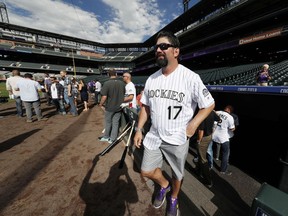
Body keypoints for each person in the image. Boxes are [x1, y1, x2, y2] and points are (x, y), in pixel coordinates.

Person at [133, 31, 215, 216]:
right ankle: (163, 184)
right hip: (154, 135)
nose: (159, 50)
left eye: (164, 46)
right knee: (145, 171)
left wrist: (194, 124)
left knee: (178, 174)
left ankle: (173, 197)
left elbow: (209, 104)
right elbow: (145, 107)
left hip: (177, 137)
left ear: (176, 51)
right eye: (156, 48)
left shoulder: (190, 77)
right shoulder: (151, 79)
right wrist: (139, 129)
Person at [98, 70, 125, 144]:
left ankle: (106, 136)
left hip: (110, 107)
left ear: (108, 75)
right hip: (119, 107)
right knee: (115, 123)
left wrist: (100, 104)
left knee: (108, 122)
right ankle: (112, 139)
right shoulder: (122, 83)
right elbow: (124, 94)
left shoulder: (107, 83)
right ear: (116, 74)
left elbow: (104, 96)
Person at [195, 110, 220, 188]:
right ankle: (197, 171)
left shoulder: (202, 114)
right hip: (209, 136)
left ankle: (208, 181)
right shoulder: (211, 112)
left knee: (203, 159)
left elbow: (201, 130)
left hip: (203, 137)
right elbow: (219, 119)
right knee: (201, 155)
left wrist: (199, 140)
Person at [209, 107, 235, 175]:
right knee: (225, 153)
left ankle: (209, 164)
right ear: (230, 111)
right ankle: (223, 170)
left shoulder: (218, 112)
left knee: (209, 150)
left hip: (213, 134)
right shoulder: (230, 117)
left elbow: (211, 112)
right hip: (223, 137)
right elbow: (232, 129)